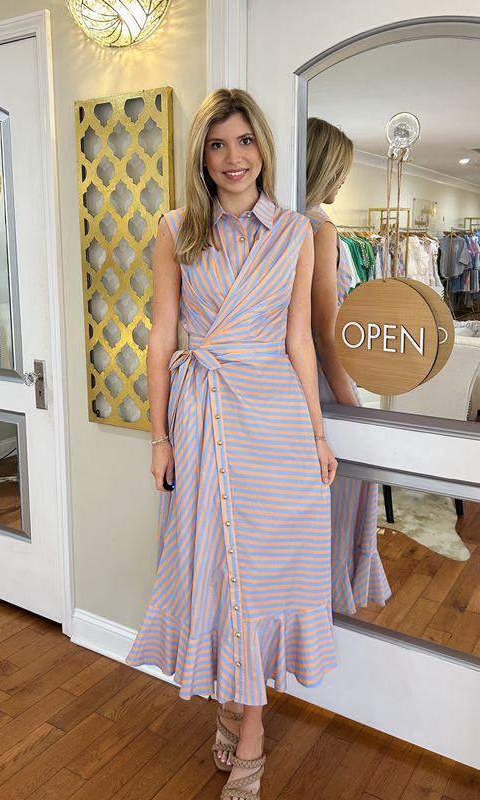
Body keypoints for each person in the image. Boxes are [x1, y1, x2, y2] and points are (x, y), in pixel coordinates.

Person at [127, 91, 338, 800]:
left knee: (266, 575)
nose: (233, 158)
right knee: (216, 573)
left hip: (274, 424)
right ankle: (232, 702)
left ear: (263, 148)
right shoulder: (178, 229)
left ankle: (250, 729)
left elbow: (298, 342)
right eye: (217, 145)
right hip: (204, 415)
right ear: (202, 156)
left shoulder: (297, 234)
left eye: (244, 141)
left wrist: (317, 431)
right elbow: (162, 338)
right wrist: (158, 436)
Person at [305, 117, 391, 615]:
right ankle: (327, 601)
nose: (343, 182)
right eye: (341, 171)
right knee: (341, 491)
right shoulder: (321, 228)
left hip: (301, 377)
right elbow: (324, 326)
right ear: (326, 168)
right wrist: (349, 398)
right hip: (323, 379)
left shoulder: (285, 221)